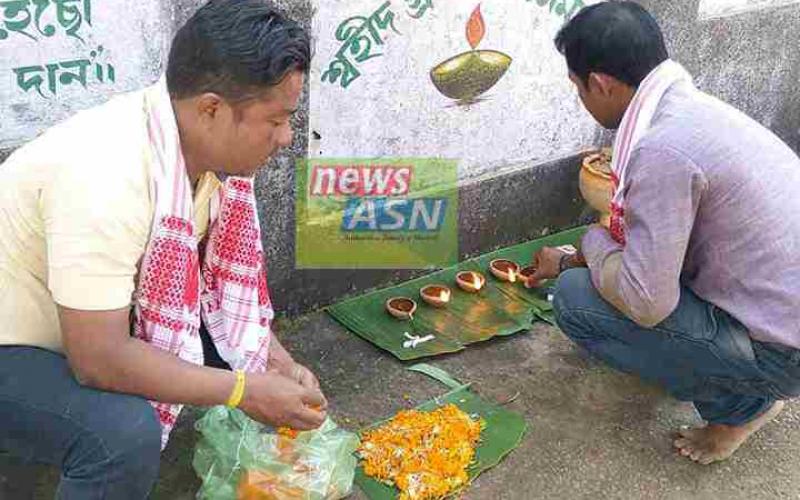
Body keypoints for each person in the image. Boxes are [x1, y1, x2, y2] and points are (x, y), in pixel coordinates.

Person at [0, 1, 327, 498]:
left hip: (72, 320)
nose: (285, 138)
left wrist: (272, 360)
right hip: (15, 345)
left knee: (222, 343)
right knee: (122, 436)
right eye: (276, 120)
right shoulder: (106, 176)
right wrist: (245, 390)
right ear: (212, 108)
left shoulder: (195, 153)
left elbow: (198, 289)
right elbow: (99, 359)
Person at [527, 1, 800, 465]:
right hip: (783, 312)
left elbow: (646, 300)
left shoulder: (661, 151)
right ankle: (736, 374)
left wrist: (591, 246)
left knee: (575, 299)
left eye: (578, 88)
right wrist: (581, 254)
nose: (582, 100)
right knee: (595, 274)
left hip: (785, 350)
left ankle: (741, 406)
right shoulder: (689, 109)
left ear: (600, 83)